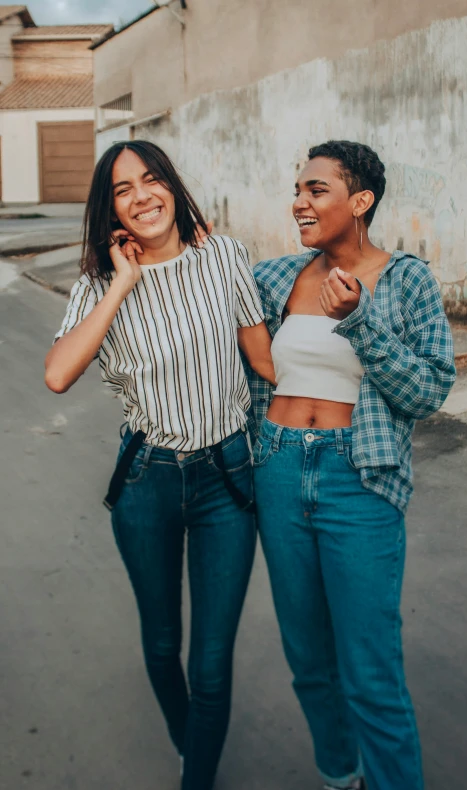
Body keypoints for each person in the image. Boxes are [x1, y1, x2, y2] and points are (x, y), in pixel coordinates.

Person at [45, 140, 275, 790]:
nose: (142, 195)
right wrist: (122, 282)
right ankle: (192, 744)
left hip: (227, 480)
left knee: (210, 665)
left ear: (171, 186)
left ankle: (194, 776)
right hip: (147, 479)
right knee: (159, 645)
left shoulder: (223, 255)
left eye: (152, 180)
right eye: (124, 189)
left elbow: (264, 361)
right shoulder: (98, 283)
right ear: (110, 207)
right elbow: (59, 372)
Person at [246, 140, 456, 790]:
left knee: (369, 669)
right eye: (298, 189)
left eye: (316, 190)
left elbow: (427, 391)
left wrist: (361, 321)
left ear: (360, 200)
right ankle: (341, 776)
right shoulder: (276, 277)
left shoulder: (406, 280)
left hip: (358, 479)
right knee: (308, 658)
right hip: (278, 470)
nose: (299, 201)